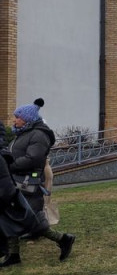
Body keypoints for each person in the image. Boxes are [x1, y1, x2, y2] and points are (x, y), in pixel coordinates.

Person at [1, 100, 75, 266]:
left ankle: (63, 239)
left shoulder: (38, 135)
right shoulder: (25, 133)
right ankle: (13, 255)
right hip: (18, 181)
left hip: (28, 183)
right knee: (12, 215)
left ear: (27, 119)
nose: (14, 120)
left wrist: (7, 165)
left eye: (17, 117)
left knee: (31, 220)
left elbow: (33, 159)